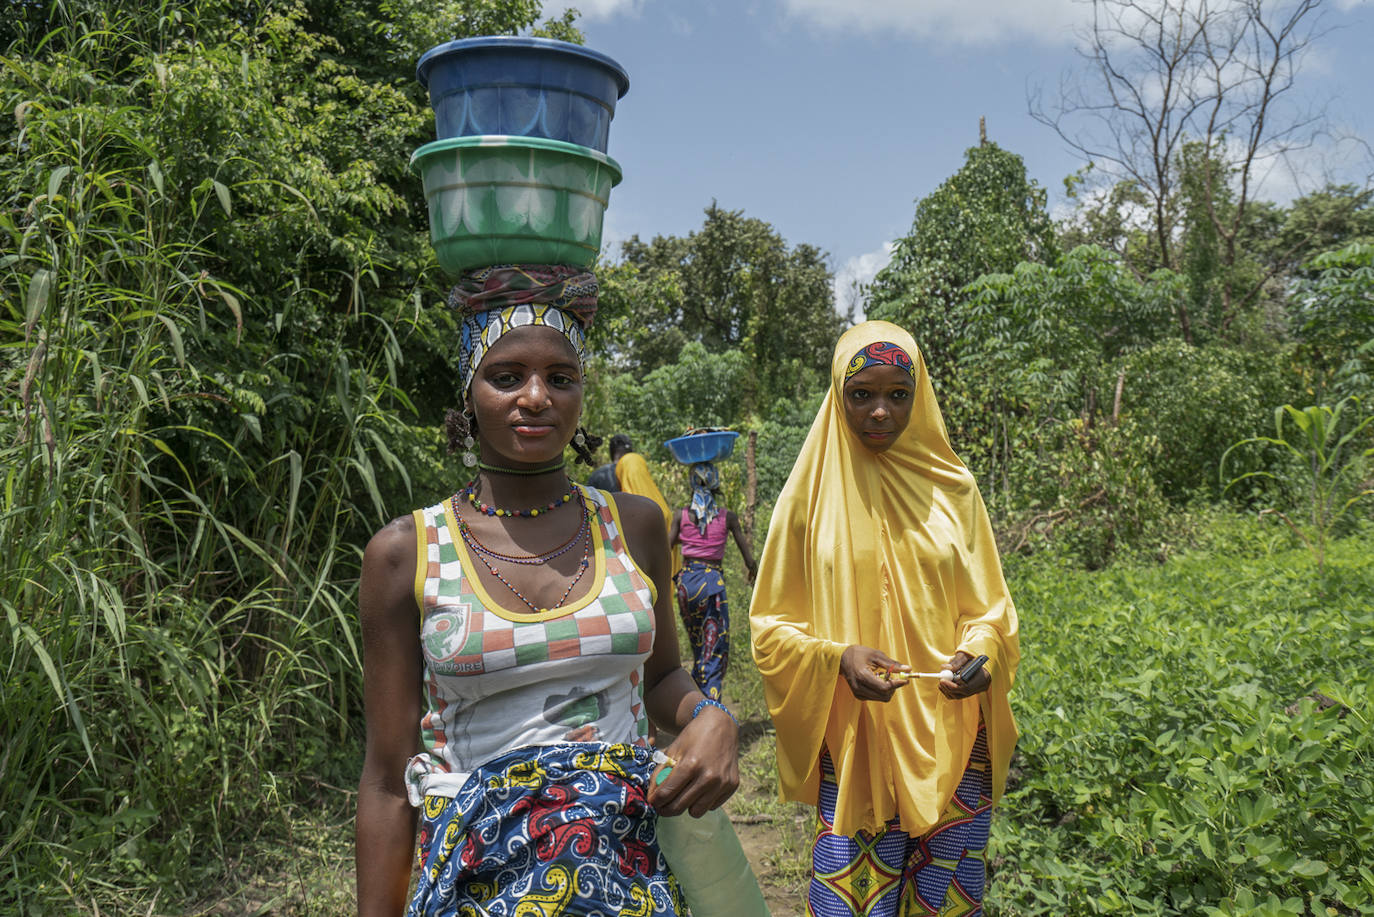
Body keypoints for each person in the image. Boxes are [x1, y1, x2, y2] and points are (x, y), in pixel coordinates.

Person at [355, 266, 741, 917]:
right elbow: (390, 780)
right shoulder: (405, 552)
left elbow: (662, 677)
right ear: (469, 388)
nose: (536, 397)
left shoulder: (633, 524)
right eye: (507, 376)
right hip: (481, 878)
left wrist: (712, 717)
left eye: (560, 378)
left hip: (626, 867)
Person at [749, 320, 1019, 916]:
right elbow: (770, 626)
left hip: (951, 741)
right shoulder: (808, 496)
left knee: (943, 903)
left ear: (919, 394)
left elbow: (989, 612)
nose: (880, 412)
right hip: (857, 740)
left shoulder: (954, 489)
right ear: (837, 396)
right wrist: (837, 659)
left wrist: (982, 655)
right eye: (861, 395)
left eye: (899, 394)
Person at [667, 461, 757, 700]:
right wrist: (753, 571)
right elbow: (748, 556)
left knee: (698, 645)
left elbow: (668, 545)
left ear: (691, 483)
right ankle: (710, 705)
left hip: (686, 585)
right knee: (714, 648)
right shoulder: (728, 517)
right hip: (711, 585)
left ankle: (697, 700)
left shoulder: (682, 515)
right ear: (716, 484)